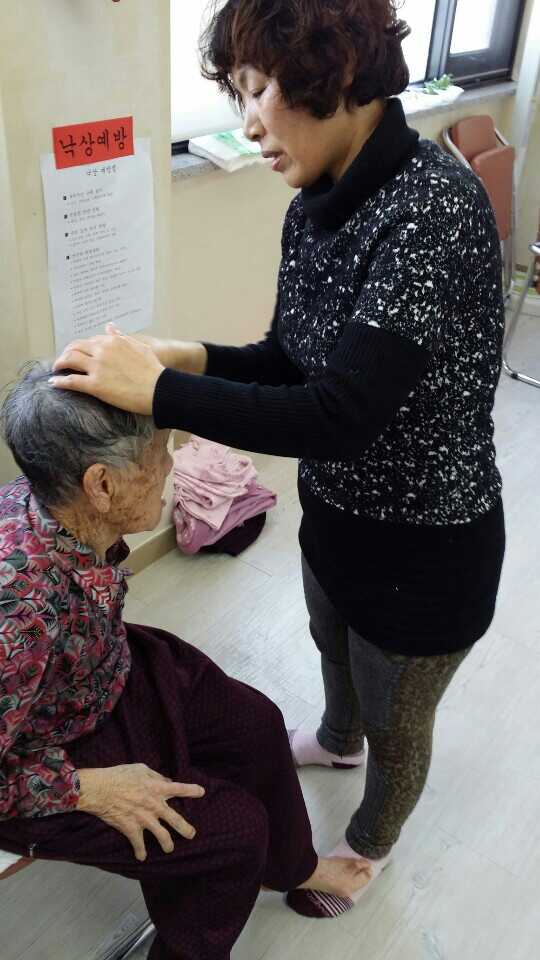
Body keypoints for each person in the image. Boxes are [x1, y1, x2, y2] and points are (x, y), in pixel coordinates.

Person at [51, 0, 506, 920]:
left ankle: (370, 841)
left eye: (259, 91)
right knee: (331, 641)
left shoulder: (433, 212)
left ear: (337, 73)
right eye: (238, 93)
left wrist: (161, 394)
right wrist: (190, 358)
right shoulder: (315, 204)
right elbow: (293, 362)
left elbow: (339, 414)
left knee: (398, 715)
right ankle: (336, 738)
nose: (248, 121)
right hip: (338, 511)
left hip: (429, 545)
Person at [0, 363, 372, 960]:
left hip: (97, 666)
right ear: (101, 484)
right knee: (232, 837)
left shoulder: (49, 491)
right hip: (45, 756)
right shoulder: (17, 616)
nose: (171, 465)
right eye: (160, 454)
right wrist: (86, 788)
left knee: (256, 723)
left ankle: (292, 867)